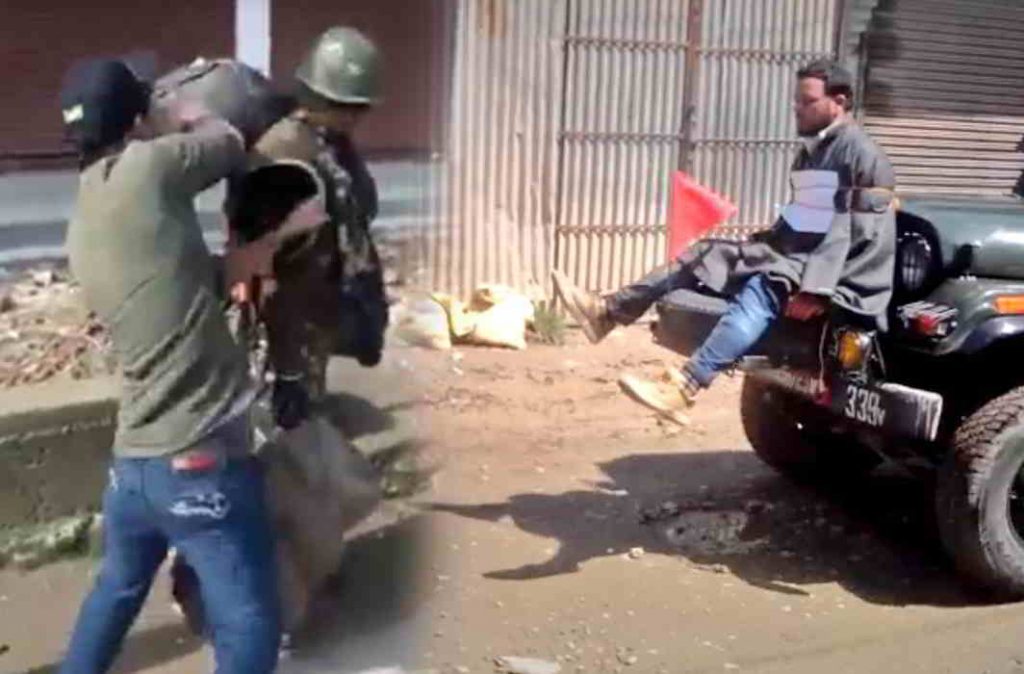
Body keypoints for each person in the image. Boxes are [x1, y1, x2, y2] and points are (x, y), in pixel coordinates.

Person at [56, 57, 305, 674]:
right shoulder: (149, 166)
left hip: (134, 466)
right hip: (197, 457)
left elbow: (171, 292)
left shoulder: (86, 214)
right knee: (249, 621)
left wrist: (250, 259)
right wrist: (187, 111)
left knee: (116, 591)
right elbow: (227, 138)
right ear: (136, 120)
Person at [552, 59, 897, 421]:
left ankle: (685, 388)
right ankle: (608, 313)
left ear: (838, 102)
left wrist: (817, 290)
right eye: (796, 100)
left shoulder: (862, 155)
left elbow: (862, 233)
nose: (797, 108)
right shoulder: (811, 153)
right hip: (797, 255)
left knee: (766, 285)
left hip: (834, 273)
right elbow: (804, 216)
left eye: (807, 101)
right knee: (707, 254)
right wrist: (762, 244)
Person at [235, 26, 387, 431]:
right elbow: (262, 270)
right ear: (320, 98)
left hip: (315, 309)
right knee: (282, 429)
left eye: (361, 108)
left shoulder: (328, 142)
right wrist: (287, 371)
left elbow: (358, 212)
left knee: (308, 416)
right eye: (349, 107)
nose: (358, 118)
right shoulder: (281, 152)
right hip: (284, 325)